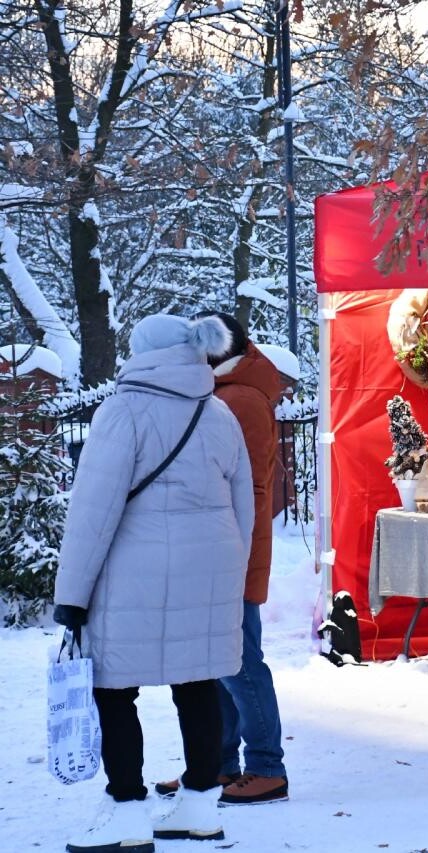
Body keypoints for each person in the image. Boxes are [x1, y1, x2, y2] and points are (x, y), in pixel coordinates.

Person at [53, 314, 253, 852]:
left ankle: (125, 811)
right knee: (198, 683)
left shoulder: (121, 410)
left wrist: (71, 596)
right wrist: (232, 576)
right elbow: (243, 507)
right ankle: (198, 806)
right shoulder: (218, 414)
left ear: (142, 353)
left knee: (114, 689)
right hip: (208, 570)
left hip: (130, 576)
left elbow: (92, 511)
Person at [156, 312, 289, 805]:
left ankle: (266, 767)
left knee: (238, 662)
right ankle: (217, 764)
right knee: (218, 660)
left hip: (231, 550)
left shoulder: (239, 400)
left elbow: (245, 488)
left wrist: (224, 548)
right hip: (220, 547)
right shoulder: (227, 394)